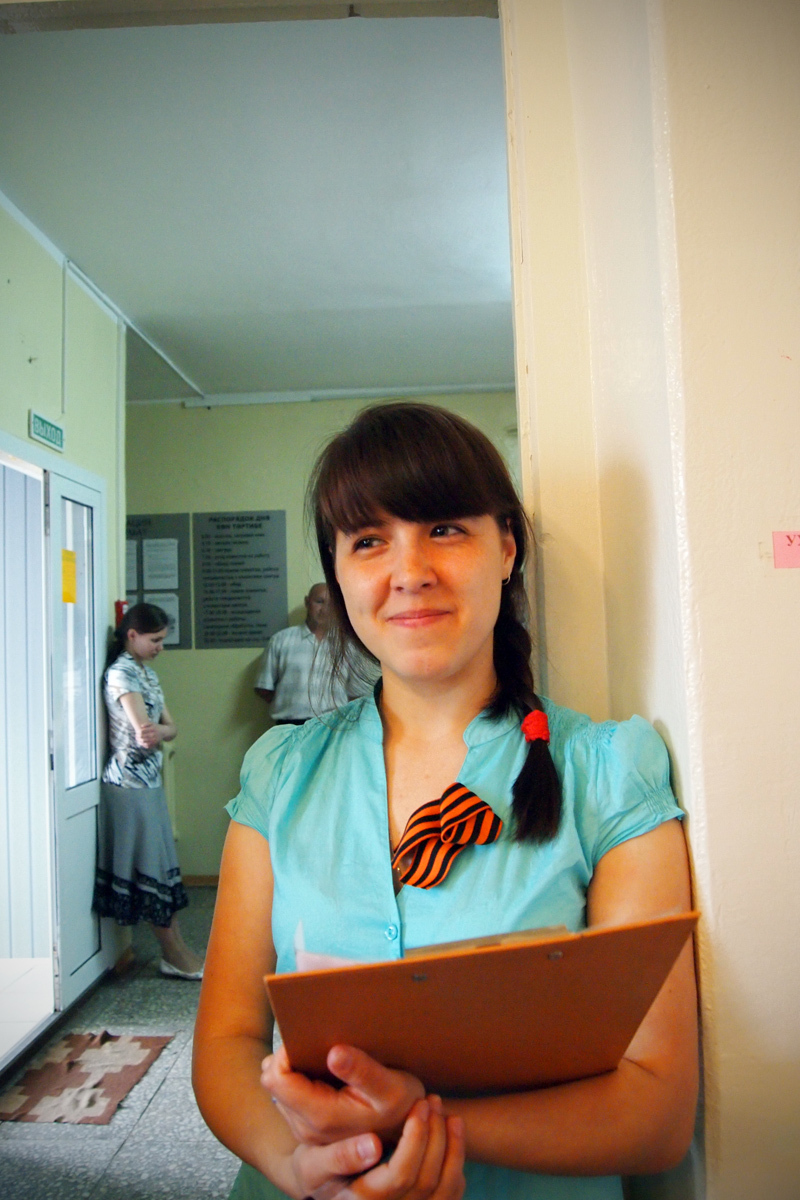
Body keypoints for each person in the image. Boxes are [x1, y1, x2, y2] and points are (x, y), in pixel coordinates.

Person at [193, 403, 698, 1200]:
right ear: (338, 576)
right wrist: (298, 1164)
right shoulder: (280, 773)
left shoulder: (608, 774)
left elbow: (657, 1111)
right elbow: (227, 1040)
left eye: (444, 529)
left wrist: (417, 1124)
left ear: (507, 547)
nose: (410, 570)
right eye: (369, 541)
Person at [93, 602, 204, 980]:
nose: (160, 647)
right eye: (154, 640)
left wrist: (161, 731)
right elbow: (146, 735)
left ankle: (176, 950)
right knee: (151, 866)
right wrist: (158, 731)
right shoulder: (121, 673)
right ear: (132, 635)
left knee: (161, 864)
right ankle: (172, 952)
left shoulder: (146, 673)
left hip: (148, 781)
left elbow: (170, 728)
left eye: (162, 640)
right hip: (129, 783)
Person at [255, 584, 365, 725]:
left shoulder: (348, 645)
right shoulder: (281, 640)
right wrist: (290, 705)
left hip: (334, 725)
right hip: (290, 726)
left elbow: (356, 693)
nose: (324, 609)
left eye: (332, 604)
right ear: (307, 602)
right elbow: (264, 687)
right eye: (319, 602)